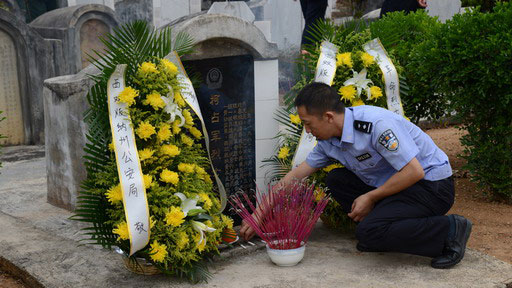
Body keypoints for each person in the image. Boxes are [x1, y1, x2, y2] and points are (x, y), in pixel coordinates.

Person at [240, 82, 472, 269]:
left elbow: (414, 171)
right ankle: (379, 232)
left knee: (369, 231)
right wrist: (258, 214)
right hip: (399, 186)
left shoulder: (376, 125)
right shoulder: (328, 142)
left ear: (329, 117)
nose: (307, 131)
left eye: (308, 124)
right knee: (336, 180)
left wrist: (371, 198)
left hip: (431, 186)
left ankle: (450, 230)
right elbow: (295, 177)